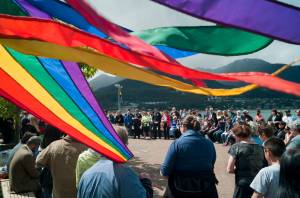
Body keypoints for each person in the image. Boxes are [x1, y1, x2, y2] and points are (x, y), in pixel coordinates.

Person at [77, 126, 153, 198]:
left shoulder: (86, 175)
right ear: (123, 146)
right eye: (126, 144)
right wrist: (146, 182)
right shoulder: (126, 174)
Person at [161, 115, 218, 198]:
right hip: (206, 188)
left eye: (180, 125)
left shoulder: (177, 143)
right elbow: (211, 165)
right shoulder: (209, 143)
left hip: (179, 189)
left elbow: (164, 171)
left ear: (184, 127)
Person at [227, 123, 265, 198]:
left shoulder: (235, 147)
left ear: (238, 136)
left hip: (242, 182)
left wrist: (239, 170)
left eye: (235, 135)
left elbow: (229, 169)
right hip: (258, 183)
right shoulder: (261, 148)